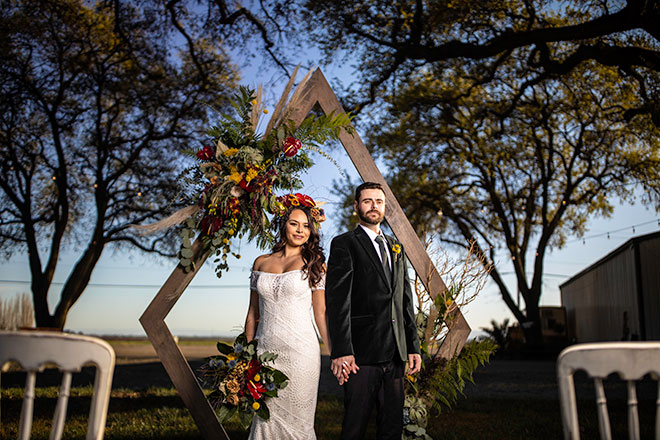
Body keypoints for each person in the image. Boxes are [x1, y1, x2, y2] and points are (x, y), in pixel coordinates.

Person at [325, 181, 422, 440]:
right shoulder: (345, 243)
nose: (373, 206)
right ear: (357, 206)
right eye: (367, 201)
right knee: (354, 428)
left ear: (384, 207)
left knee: (391, 427)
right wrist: (342, 350)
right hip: (361, 356)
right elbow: (337, 301)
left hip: (396, 355)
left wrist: (412, 345)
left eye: (378, 202)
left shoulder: (395, 246)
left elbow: (404, 300)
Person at [244, 201, 330, 439]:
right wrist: (246, 355)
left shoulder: (315, 263)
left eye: (306, 226)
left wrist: (335, 351)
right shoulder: (260, 262)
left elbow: (320, 313)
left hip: (301, 354)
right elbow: (253, 313)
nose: (300, 230)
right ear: (283, 225)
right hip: (265, 352)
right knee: (264, 419)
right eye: (294, 224)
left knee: (299, 424)